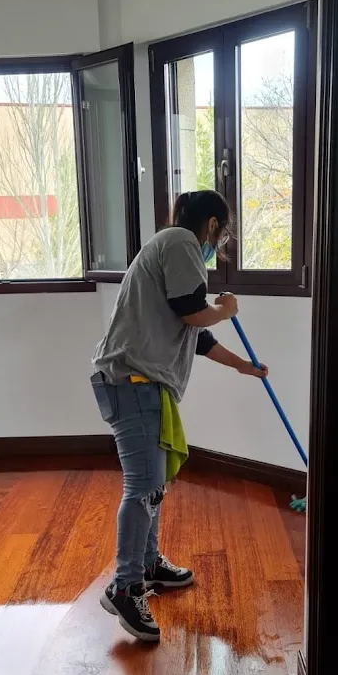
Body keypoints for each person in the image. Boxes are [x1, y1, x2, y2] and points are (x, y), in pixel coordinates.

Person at [91, 189, 269, 642]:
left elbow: (197, 337)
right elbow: (193, 314)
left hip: (143, 384)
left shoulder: (171, 253)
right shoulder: (180, 242)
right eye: (221, 234)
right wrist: (225, 310)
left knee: (154, 485)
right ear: (211, 225)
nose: (218, 243)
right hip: (132, 383)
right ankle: (125, 587)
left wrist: (243, 366)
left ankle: (148, 564)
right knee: (143, 488)